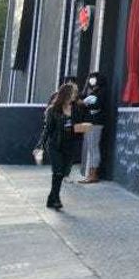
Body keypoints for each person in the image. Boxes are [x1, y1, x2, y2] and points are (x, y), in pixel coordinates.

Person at [34, 82, 90, 210]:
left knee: (64, 172)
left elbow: (81, 124)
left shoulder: (77, 108)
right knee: (58, 172)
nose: (76, 94)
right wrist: (40, 145)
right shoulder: (53, 110)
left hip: (70, 145)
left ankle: (51, 198)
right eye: (74, 92)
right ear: (67, 93)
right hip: (55, 145)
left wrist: (83, 127)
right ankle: (56, 199)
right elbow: (47, 129)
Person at [77, 72, 106, 183]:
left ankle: (94, 174)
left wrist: (84, 104)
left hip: (95, 123)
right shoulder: (92, 92)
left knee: (94, 148)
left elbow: (98, 105)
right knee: (89, 147)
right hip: (88, 123)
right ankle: (90, 173)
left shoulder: (102, 92)